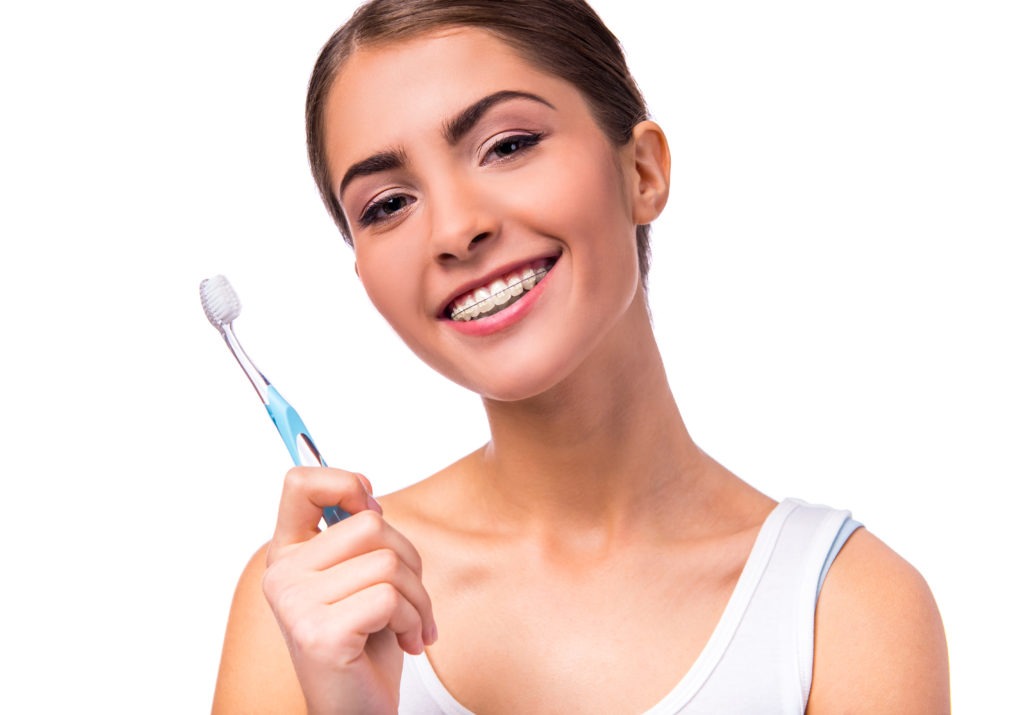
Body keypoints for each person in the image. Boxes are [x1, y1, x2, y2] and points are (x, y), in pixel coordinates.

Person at [212, 1, 950, 712]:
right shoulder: (310, 605)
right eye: (387, 205)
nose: (455, 229)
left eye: (507, 145)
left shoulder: (845, 610)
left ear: (643, 172)